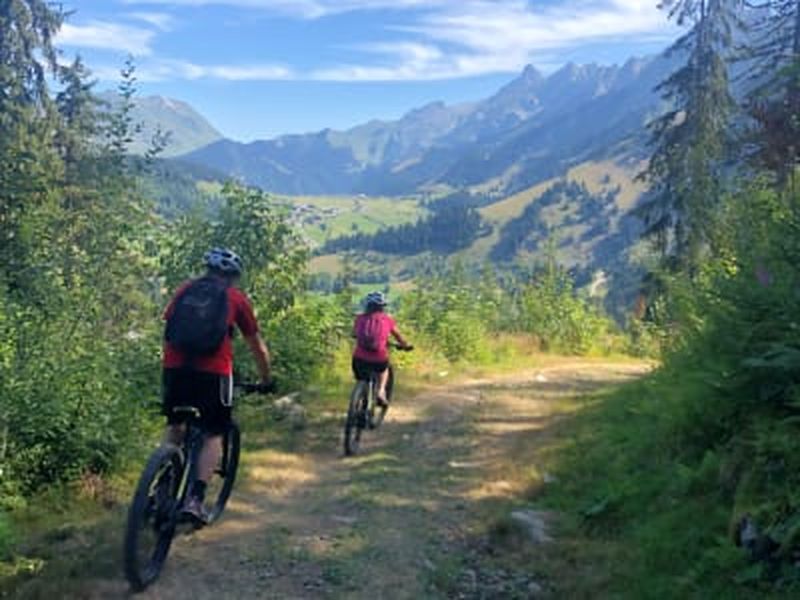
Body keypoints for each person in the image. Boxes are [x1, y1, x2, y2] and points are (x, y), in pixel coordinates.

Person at [162, 247, 272, 522]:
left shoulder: (185, 289)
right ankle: (195, 500)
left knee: (175, 425)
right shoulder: (236, 298)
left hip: (175, 368)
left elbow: (168, 330)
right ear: (233, 276)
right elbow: (257, 346)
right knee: (214, 432)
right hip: (213, 373)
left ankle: (160, 487)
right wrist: (266, 379)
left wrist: (170, 365)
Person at [352, 291, 411, 405]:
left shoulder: (359, 318)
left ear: (367, 305)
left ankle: (360, 397)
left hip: (359, 359)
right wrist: (405, 345)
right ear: (382, 307)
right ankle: (381, 391)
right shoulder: (387, 320)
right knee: (384, 369)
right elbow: (398, 336)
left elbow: (354, 333)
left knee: (361, 377)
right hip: (379, 358)